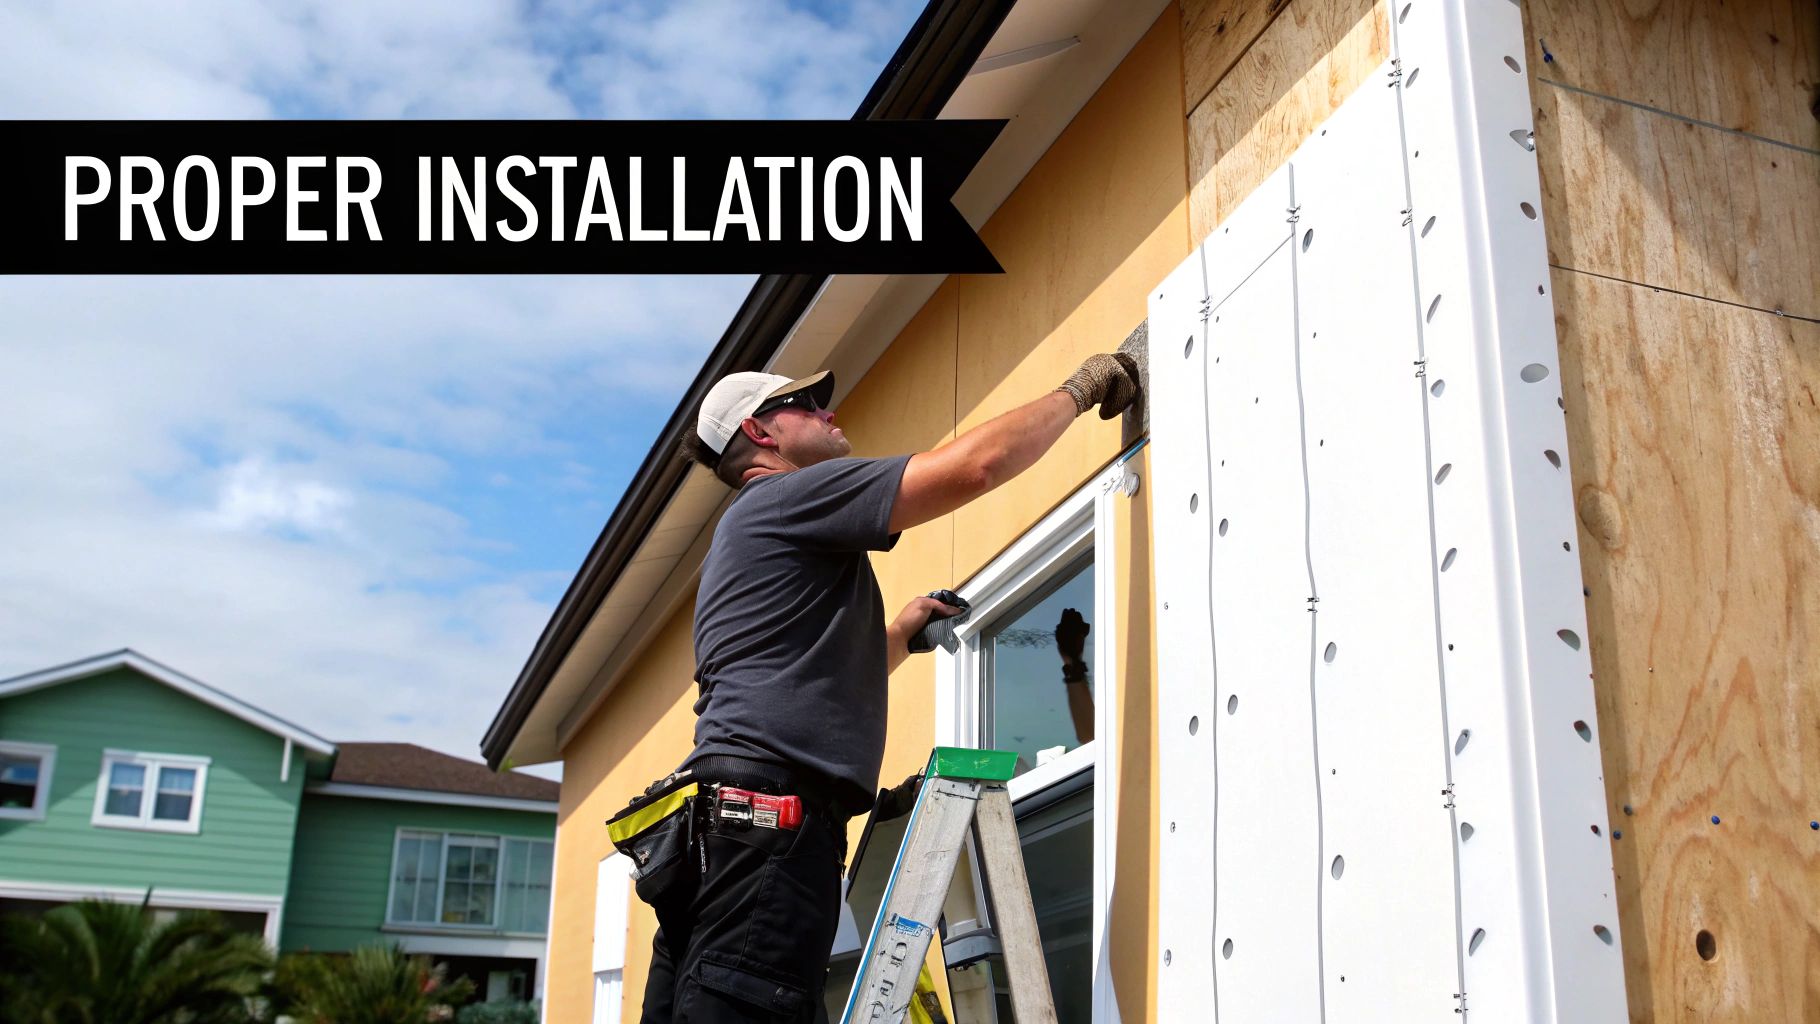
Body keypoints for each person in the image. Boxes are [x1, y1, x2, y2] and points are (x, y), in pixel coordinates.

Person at [638, 352, 1139, 1022]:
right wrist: (1081, 389)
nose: (827, 412)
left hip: (723, 834)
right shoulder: (785, 496)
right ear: (761, 435)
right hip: (768, 826)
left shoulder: (752, 533)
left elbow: (798, 678)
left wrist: (898, 633)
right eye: (806, 406)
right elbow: (974, 467)